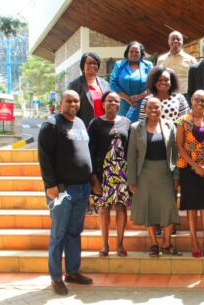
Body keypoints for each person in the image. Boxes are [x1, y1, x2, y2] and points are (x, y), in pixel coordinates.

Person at [38, 90, 93, 295]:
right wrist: (50, 184)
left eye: (76, 100)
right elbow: (44, 156)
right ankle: (55, 277)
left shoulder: (79, 122)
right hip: (61, 190)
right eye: (68, 100)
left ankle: (72, 271)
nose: (73, 103)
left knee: (74, 231)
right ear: (61, 103)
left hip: (82, 187)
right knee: (59, 233)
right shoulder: (52, 124)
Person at [127, 97, 181, 257]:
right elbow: (131, 155)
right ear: (145, 109)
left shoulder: (170, 125)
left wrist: (176, 176)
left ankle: (166, 242)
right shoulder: (136, 127)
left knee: (169, 207)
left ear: (161, 109)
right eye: (150, 107)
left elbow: (175, 153)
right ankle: (154, 243)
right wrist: (131, 179)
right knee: (148, 207)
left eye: (157, 107)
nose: (154, 110)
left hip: (165, 172)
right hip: (144, 174)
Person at [176, 90, 204, 258]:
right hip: (189, 169)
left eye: (203, 100)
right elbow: (179, 145)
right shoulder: (182, 121)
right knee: (192, 205)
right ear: (191, 101)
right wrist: (195, 166)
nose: (200, 103)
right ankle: (194, 240)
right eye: (197, 99)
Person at [88, 91, 131, 257]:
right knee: (104, 209)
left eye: (117, 101)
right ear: (103, 103)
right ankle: (104, 245)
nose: (113, 103)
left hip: (122, 173)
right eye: (110, 100)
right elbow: (89, 151)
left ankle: (120, 244)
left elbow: (130, 150)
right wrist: (93, 179)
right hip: (102, 174)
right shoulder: (95, 123)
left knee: (121, 207)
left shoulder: (126, 122)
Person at [110, 41, 153, 123]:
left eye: (137, 51)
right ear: (127, 53)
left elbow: (152, 85)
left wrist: (139, 96)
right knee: (122, 130)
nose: (134, 53)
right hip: (123, 105)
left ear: (141, 54)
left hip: (143, 105)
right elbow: (112, 83)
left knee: (140, 131)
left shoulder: (148, 65)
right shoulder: (119, 65)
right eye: (131, 51)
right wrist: (127, 98)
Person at [68, 52, 110, 127]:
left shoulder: (105, 84)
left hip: (103, 126)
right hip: (84, 126)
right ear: (83, 65)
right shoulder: (75, 84)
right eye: (89, 63)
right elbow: (71, 108)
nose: (92, 65)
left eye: (95, 63)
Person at [157, 31, 197, 95]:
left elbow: (196, 79)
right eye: (173, 39)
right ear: (168, 41)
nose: (175, 41)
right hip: (166, 94)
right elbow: (157, 78)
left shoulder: (191, 60)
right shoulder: (161, 59)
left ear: (182, 42)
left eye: (178, 39)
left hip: (185, 94)